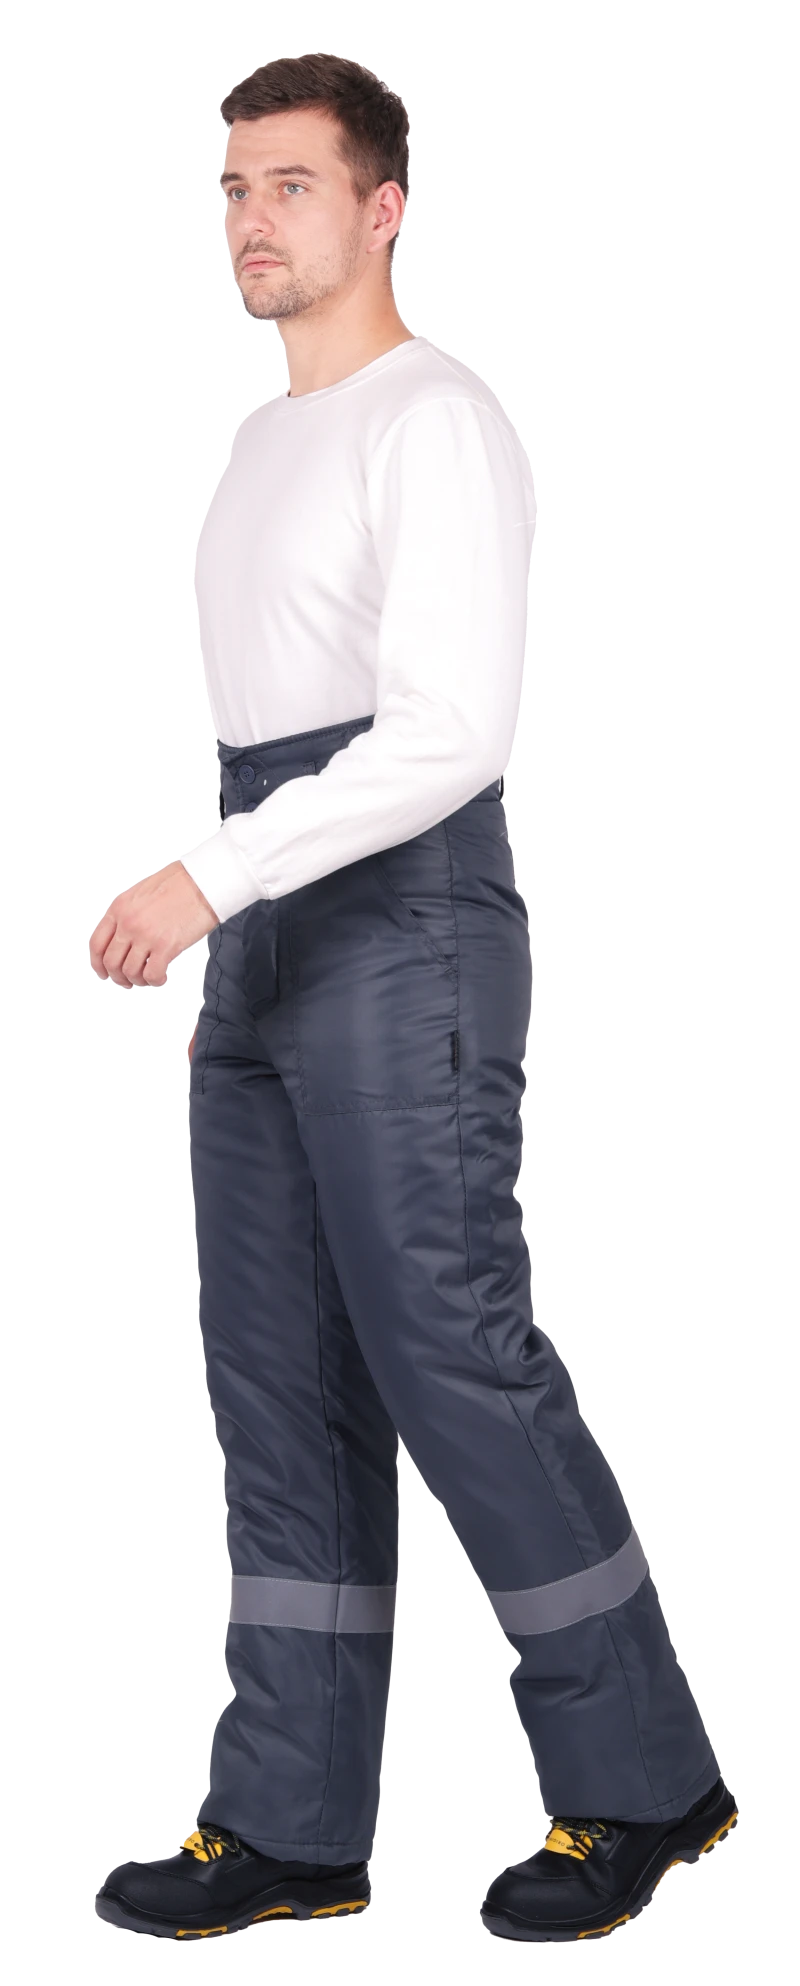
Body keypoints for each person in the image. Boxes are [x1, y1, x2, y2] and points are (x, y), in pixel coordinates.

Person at [92, 54, 736, 1945]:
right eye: (233, 188)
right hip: (271, 914)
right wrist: (236, 896)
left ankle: (646, 1779)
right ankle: (289, 1818)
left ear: (387, 206)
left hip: (398, 914)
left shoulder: (438, 418)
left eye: (292, 185)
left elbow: (449, 732)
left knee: (452, 1342)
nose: (252, 219)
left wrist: (211, 879)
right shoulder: (257, 441)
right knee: (275, 1374)